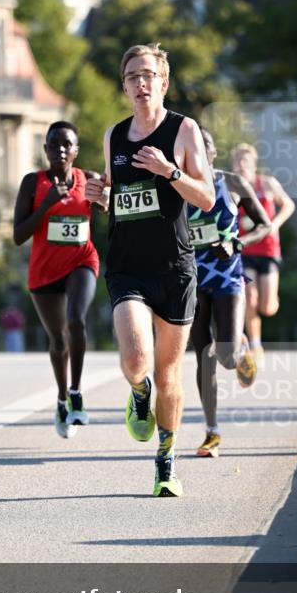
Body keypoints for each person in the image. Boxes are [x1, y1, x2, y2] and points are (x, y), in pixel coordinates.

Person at [86, 44, 215, 497]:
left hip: (175, 269)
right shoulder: (114, 136)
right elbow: (116, 202)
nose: (140, 84)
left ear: (163, 82)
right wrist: (97, 193)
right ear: (123, 87)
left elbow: (207, 198)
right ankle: (137, 392)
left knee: (169, 376)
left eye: (147, 75)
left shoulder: (184, 130)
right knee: (137, 359)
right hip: (126, 267)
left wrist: (170, 171)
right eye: (131, 77)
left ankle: (166, 462)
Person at [13, 121, 100, 438]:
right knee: (58, 341)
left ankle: (77, 393)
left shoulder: (87, 179)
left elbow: (108, 208)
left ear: (76, 151)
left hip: (81, 260)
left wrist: (106, 198)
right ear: (46, 149)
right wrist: (47, 203)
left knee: (76, 319)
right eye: (54, 144)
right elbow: (18, 236)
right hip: (45, 270)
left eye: (67, 144)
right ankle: (62, 398)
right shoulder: (32, 183)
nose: (60, 149)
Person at [189, 129, 272, 458]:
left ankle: (238, 350)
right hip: (191, 279)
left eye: (203, 147)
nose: (196, 153)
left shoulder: (233, 183)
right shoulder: (177, 188)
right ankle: (212, 431)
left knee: (224, 356)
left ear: (212, 152)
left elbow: (264, 224)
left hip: (227, 275)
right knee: (202, 354)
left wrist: (237, 242)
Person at [231, 143, 296, 366]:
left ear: (253, 164)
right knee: (250, 296)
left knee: (267, 307)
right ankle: (255, 344)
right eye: (237, 160)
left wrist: (275, 224)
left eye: (245, 160)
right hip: (244, 250)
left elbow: (288, 204)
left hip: (268, 251)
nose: (241, 164)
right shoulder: (231, 187)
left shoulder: (266, 184)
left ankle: (268, 303)